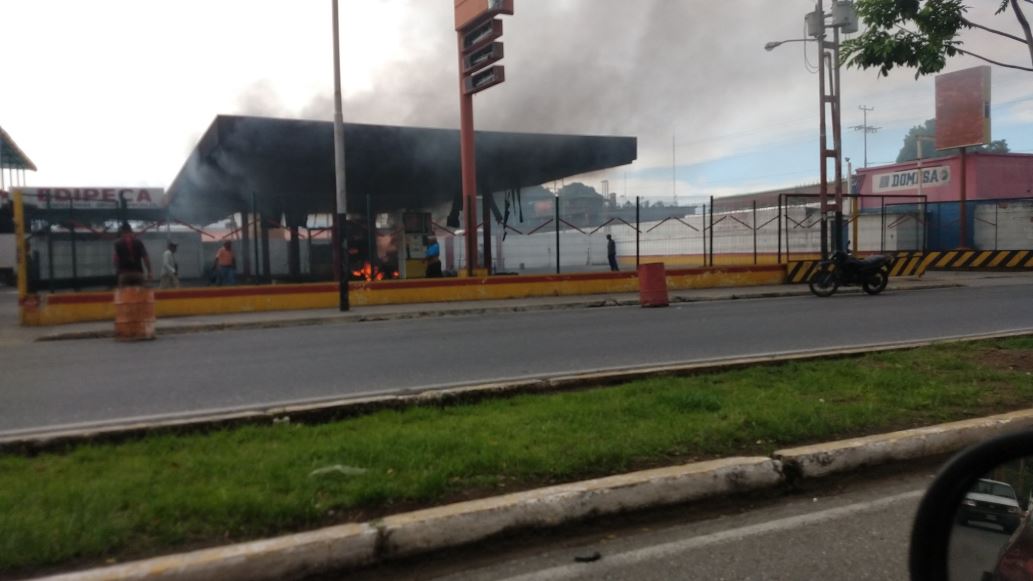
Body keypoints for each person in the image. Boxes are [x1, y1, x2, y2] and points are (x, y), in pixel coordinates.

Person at [112, 223, 152, 287]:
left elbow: (115, 260)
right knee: (142, 293)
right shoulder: (138, 242)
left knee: (122, 295)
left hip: (124, 274)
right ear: (131, 231)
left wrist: (118, 271)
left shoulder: (118, 243)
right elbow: (146, 258)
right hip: (138, 273)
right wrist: (149, 272)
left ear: (122, 232)